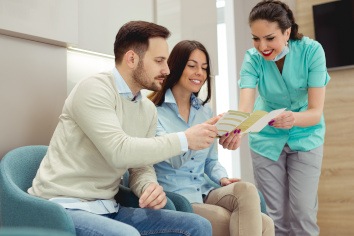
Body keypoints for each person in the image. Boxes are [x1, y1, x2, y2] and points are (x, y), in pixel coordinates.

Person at [28, 21, 218, 236]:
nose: (166, 69)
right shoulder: (94, 89)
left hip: (108, 207)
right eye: (159, 61)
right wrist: (184, 139)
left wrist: (147, 187)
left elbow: (140, 167)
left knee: (198, 225)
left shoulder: (147, 108)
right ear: (131, 59)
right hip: (64, 208)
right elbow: (119, 152)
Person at [221, 1, 330, 235]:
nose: (262, 46)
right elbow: (245, 107)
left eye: (270, 38)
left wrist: (293, 119)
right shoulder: (252, 59)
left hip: (305, 136)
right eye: (256, 38)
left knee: (303, 213)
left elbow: (315, 112)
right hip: (266, 140)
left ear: (287, 31)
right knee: (273, 217)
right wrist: (235, 129)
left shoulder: (312, 52)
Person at [148, 40, 275, 236]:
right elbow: (174, 158)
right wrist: (197, 135)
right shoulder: (153, 112)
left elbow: (210, 161)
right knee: (259, 224)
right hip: (177, 196)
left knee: (248, 191)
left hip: (205, 190)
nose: (199, 72)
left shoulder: (204, 110)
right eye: (192, 66)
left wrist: (222, 178)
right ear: (176, 66)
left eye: (204, 68)